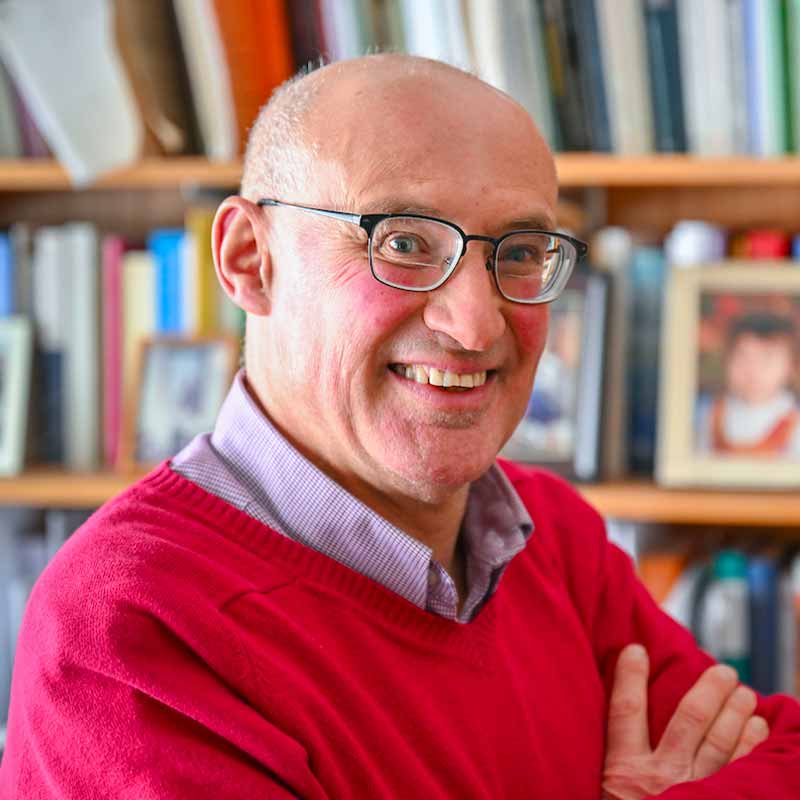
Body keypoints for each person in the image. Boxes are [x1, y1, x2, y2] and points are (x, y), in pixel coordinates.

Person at [2, 54, 799, 799]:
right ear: (251, 259)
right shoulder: (127, 629)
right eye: (405, 242)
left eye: (519, 252)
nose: (475, 324)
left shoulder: (546, 536)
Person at [696, 311, 800, 459]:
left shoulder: (795, 424)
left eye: (767, 360)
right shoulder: (709, 415)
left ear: (790, 367)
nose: (753, 370)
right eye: (742, 357)